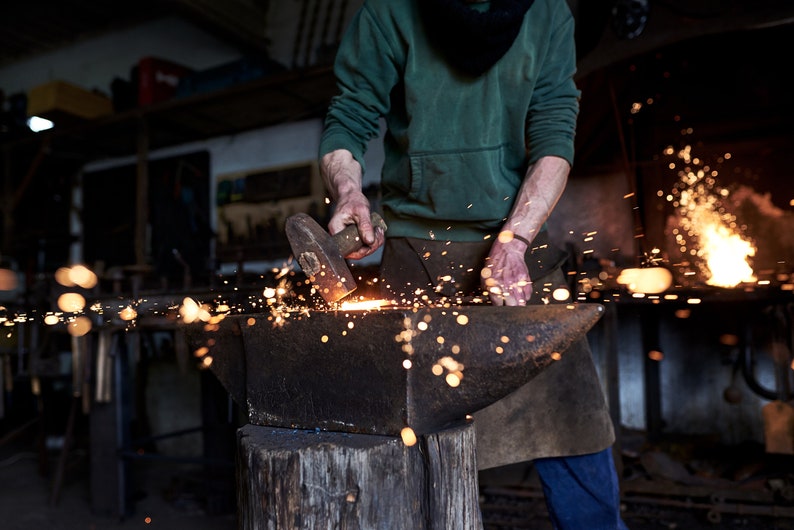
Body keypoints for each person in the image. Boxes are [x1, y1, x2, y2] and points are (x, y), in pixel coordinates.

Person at [317, 0, 628, 528]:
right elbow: (349, 116)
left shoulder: (549, 13)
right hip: (417, 258)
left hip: (519, 257)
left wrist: (514, 238)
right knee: (412, 449)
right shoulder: (389, 11)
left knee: (573, 427)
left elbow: (555, 133)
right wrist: (348, 189)